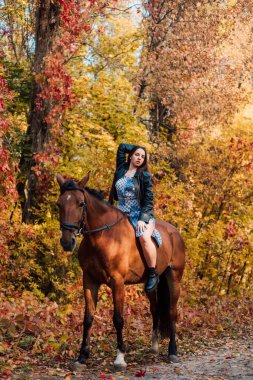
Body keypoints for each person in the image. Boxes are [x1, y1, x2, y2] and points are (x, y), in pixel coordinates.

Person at [109, 143, 162, 293]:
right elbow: (121, 147)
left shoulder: (144, 175)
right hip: (119, 212)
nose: (139, 158)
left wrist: (142, 219)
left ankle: (152, 273)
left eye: (143, 157)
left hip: (140, 213)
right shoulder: (121, 169)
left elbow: (148, 200)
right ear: (131, 155)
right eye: (137, 155)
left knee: (144, 238)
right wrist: (138, 147)